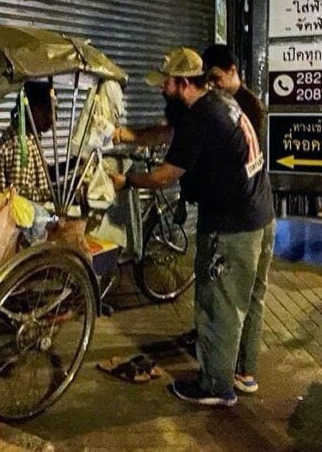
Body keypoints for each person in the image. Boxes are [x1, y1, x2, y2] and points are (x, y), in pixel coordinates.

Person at [110, 47, 268, 407]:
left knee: (218, 305)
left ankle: (216, 386)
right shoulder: (218, 103)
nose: (162, 89)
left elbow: (167, 175)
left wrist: (128, 181)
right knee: (243, 300)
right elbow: (169, 134)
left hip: (232, 224)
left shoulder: (200, 117)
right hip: (258, 214)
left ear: (183, 83)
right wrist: (127, 135)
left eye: (166, 83)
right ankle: (242, 374)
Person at [202, 43, 276, 396]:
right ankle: (246, 372)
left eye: (217, 78)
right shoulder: (244, 103)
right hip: (264, 212)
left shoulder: (238, 108)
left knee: (233, 301)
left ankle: (222, 380)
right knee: (253, 297)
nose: (213, 86)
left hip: (245, 219)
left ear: (233, 70)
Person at [0, 81, 53, 202]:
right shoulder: (19, 144)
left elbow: (42, 174)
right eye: (49, 110)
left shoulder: (31, 136)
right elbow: (20, 198)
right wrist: (51, 195)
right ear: (33, 109)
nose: (54, 118)